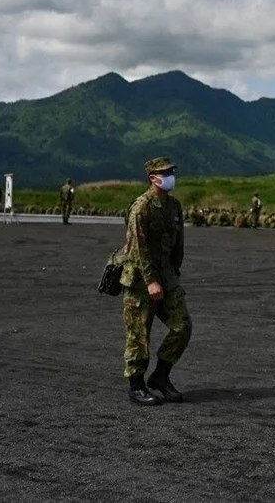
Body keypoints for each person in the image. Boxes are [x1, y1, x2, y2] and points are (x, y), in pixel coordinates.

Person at [118, 157, 192, 406]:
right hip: (141, 279)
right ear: (153, 178)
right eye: (165, 173)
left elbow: (178, 243)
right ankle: (136, 385)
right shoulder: (141, 207)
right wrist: (151, 280)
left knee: (182, 326)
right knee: (139, 333)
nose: (171, 176)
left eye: (172, 171)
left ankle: (160, 376)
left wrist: (173, 273)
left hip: (167, 276)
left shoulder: (174, 206)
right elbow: (137, 248)